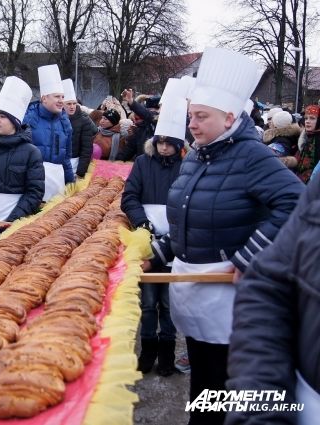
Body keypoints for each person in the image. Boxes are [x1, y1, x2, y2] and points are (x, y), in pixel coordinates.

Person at [147, 47, 304, 425]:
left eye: (201, 116)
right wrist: (159, 249)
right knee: (203, 379)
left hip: (227, 293)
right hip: (194, 285)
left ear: (230, 116)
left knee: (223, 387)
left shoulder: (253, 155)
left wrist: (249, 257)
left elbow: (297, 204)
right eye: (190, 117)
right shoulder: (198, 154)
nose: (193, 125)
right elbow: (192, 216)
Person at [226, 176, 320, 425]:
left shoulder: (252, 156)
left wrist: (246, 254)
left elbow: (288, 198)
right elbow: (268, 284)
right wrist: (259, 407)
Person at [121, 94, 186, 377]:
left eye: (168, 142)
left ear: (178, 144)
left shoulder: (188, 167)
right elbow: (129, 196)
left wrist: (175, 229)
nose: (162, 146)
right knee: (147, 302)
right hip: (145, 238)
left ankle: (167, 352)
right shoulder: (142, 163)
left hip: (176, 242)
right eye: (159, 141)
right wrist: (141, 222)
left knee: (169, 303)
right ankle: (147, 350)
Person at [0, 76, 44, 247]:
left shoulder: (31, 153)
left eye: (2, 116)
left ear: (15, 122)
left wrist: (15, 220)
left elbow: (34, 192)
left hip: (15, 229)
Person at [23, 64, 74, 201]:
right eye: (57, 96)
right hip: (32, 183)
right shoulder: (29, 119)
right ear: (44, 98)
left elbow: (66, 158)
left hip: (57, 184)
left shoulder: (65, 123)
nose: (61, 101)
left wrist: (71, 184)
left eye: (63, 97)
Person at [62, 79, 96, 178]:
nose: (72, 106)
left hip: (74, 163)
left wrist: (80, 172)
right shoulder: (56, 119)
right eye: (69, 104)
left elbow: (86, 149)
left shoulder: (84, 120)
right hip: (57, 165)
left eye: (74, 103)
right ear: (62, 104)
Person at [116, 89, 159, 161]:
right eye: (149, 110)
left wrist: (132, 102)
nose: (152, 114)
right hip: (143, 167)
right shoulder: (139, 129)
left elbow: (149, 115)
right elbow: (128, 151)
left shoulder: (162, 127)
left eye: (154, 111)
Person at [295, 104, 320, 183]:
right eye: (306, 118)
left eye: (312, 118)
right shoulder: (307, 137)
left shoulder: (317, 139)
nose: (307, 121)